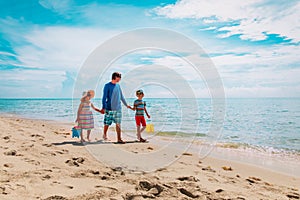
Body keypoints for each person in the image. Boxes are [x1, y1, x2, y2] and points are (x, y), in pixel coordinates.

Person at [100, 72, 131, 143]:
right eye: (119, 77)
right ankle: (104, 135)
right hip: (109, 108)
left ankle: (119, 139)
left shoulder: (118, 86)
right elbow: (104, 97)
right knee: (107, 123)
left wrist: (126, 105)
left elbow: (121, 96)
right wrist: (103, 107)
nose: (120, 79)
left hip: (118, 108)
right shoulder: (107, 86)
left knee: (118, 123)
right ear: (115, 77)